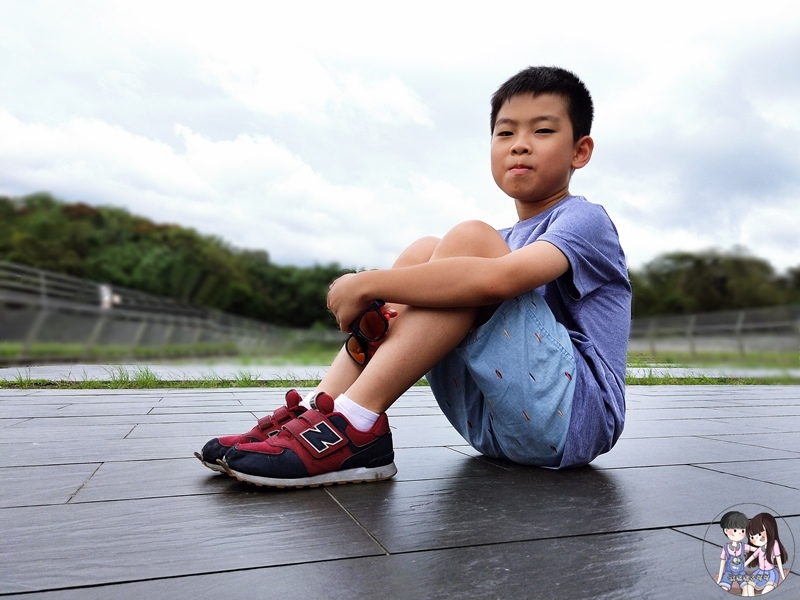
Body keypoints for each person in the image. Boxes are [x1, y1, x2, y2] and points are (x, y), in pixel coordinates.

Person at [195, 65, 632, 488]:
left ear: (580, 151)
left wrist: (368, 283)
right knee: (429, 251)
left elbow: (498, 280)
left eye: (542, 130)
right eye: (505, 133)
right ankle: (319, 410)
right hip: (490, 425)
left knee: (465, 244)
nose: (520, 145)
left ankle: (356, 422)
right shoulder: (501, 239)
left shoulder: (584, 220)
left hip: (573, 420)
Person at [743, 512, 789, 595]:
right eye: (752, 537)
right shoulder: (760, 549)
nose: (756, 539)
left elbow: (778, 560)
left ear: (770, 529)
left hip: (771, 574)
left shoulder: (774, 544)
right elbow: (752, 557)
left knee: (766, 591)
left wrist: (782, 575)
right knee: (749, 586)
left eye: (759, 534)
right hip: (759, 573)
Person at [716, 511, 752, 595]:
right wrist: (719, 579)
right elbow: (722, 563)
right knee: (724, 588)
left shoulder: (743, 546)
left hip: (741, 573)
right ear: (726, 530)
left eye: (742, 530)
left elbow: (756, 550)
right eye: (735, 530)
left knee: (746, 587)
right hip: (728, 574)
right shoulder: (726, 548)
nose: (739, 533)